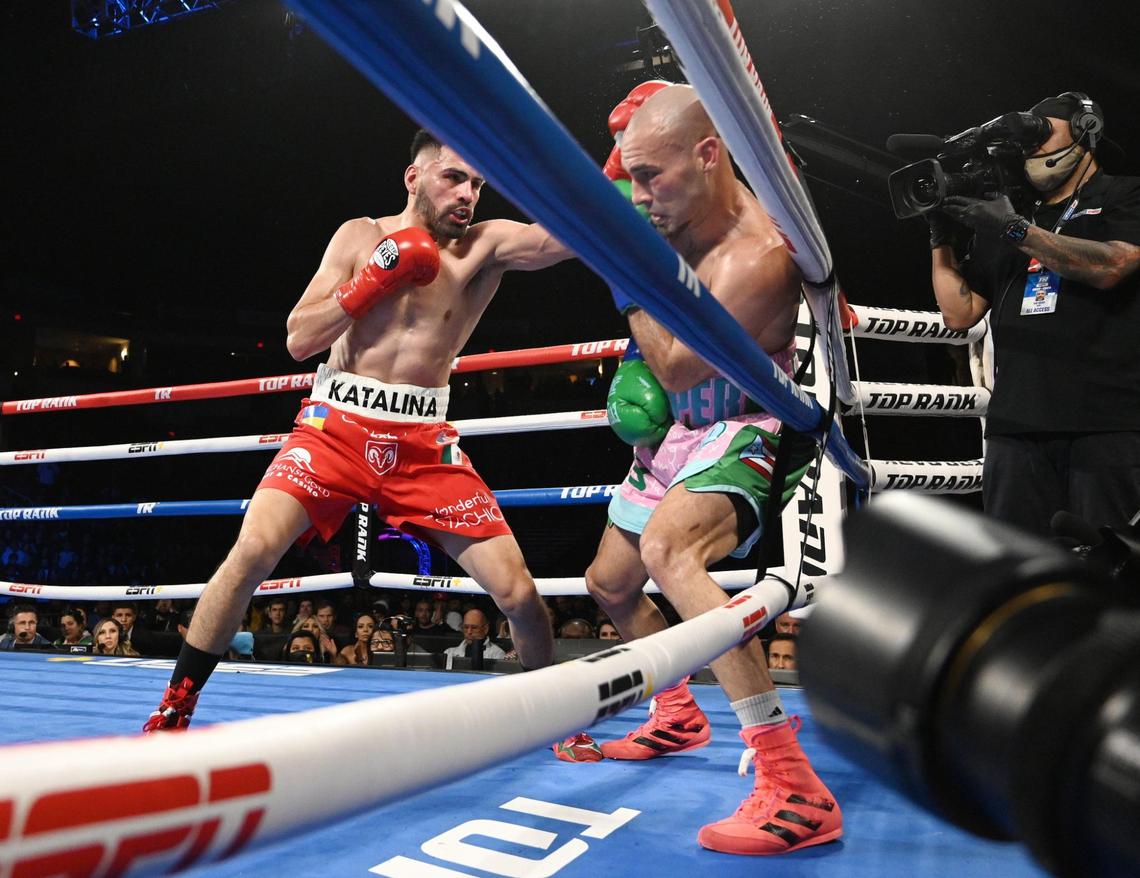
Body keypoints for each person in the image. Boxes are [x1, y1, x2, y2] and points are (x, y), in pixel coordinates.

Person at [144, 129, 572, 730]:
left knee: (519, 595)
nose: (468, 194)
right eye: (454, 177)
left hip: (423, 445)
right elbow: (298, 338)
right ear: (413, 177)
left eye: (477, 183)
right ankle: (175, 706)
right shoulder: (359, 235)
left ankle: (558, 717)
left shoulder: (484, 245)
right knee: (251, 553)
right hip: (334, 430)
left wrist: (621, 173)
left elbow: (561, 239)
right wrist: (370, 282)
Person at [555, 84, 840, 857]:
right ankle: (678, 714)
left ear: (709, 155)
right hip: (682, 432)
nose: (639, 193)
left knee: (669, 553)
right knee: (608, 583)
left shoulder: (757, 254)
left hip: (744, 426)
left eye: (652, 176)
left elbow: (678, 366)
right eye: (633, 176)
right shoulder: (675, 210)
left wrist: (624, 264)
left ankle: (793, 784)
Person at [930, 92, 1140, 536]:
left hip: (1107, 424)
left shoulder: (1126, 194)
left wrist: (1015, 230)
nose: (1032, 144)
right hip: (1016, 427)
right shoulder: (1008, 216)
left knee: (1110, 576)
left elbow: (1112, 266)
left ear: (1086, 131)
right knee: (1019, 569)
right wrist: (939, 238)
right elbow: (959, 313)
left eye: (1043, 130)